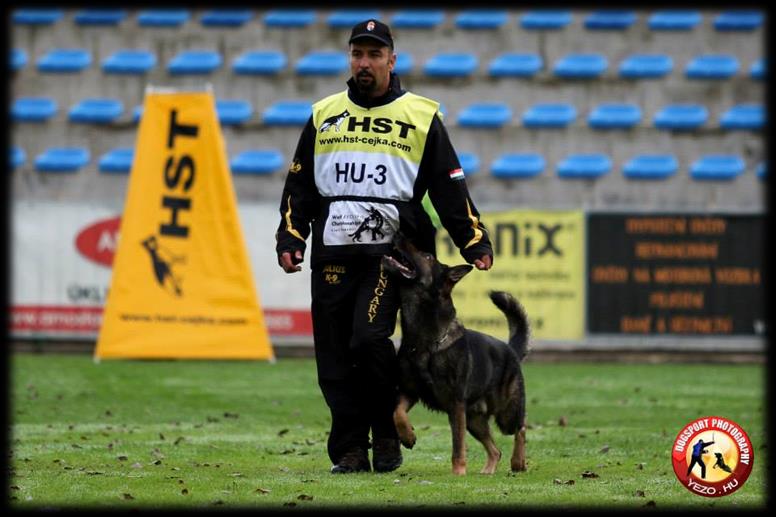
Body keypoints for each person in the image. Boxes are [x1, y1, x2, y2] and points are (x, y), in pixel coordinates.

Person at [275, 18, 493, 474]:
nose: (365, 63)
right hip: (333, 252)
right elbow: (300, 186)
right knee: (334, 353)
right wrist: (292, 236)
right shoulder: (323, 114)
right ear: (350, 59)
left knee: (369, 339)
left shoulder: (421, 115)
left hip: (393, 257)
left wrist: (472, 239)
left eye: (374, 55)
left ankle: (386, 431)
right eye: (358, 54)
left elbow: (449, 186)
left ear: (392, 61)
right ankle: (351, 450)